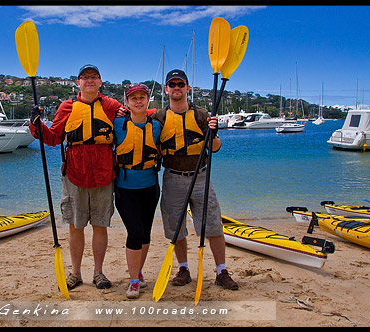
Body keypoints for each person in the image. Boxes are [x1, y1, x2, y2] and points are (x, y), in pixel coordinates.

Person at [29, 64, 126, 290]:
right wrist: (36, 124)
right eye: (85, 77)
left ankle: (99, 273)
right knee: (75, 226)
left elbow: (134, 115)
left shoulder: (111, 106)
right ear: (78, 82)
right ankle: (75, 273)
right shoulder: (67, 107)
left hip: (103, 175)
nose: (89, 80)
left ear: (100, 82)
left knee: (100, 225)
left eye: (94, 77)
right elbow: (53, 138)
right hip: (74, 174)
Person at [151, 69, 238, 290]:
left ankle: (221, 271)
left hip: (200, 178)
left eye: (181, 84)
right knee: (175, 227)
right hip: (172, 178)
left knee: (213, 226)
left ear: (187, 88)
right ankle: (183, 269)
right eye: (173, 84)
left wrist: (213, 133)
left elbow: (215, 148)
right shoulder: (159, 118)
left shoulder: (201, 115)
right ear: (167, 89)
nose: (177, 87)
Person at [113, 84, 161, 299]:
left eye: (142, 97)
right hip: (125, 189)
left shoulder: (157, 127)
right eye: (134, 98)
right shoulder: (117, 124)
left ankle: (139, 271)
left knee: (145, 232)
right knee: (135, 232)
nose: (138, 101)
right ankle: (133, 281)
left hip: (150, 187)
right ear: (128, 102)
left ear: (147, 100)